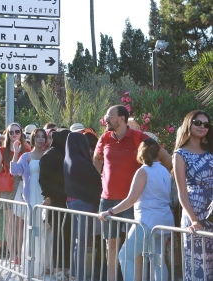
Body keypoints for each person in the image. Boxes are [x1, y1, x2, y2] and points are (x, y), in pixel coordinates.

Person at [93, 105, 172, 281]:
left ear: (122, 118)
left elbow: (166, 158)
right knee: (111, 245)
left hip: (132, 202)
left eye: (109, 116)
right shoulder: (105, 138)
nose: (106, 119)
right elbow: (97, 159)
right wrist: (103, 177)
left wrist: (155, 180)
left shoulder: (139, 137)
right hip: (107, 199)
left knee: (134, 250)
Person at [173, 110, 213, 281]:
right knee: (199, 269)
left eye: (206, 124)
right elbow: (182, 192)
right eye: (198, 123)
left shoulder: (210, 151)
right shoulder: (180, 154)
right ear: (189, 124)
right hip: (195, 215)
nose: (202, 127)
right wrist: (195, 220)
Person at [0, 122, 29, 264]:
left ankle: (20, 254)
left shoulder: (27, 149)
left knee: (20, 223)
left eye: (17, 131)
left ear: (21, 133)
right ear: (7, 134)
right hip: (8, 187)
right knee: (10, 221)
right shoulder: (2, 151)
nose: (14, 134)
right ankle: (12, 254)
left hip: (22, 186)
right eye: (11, 132)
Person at [10, 128, 50, 278]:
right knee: (32, 231)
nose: (40, 139)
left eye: (42, 137)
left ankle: (45, 265)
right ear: (33, 139)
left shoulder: (48, 155)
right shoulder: (26, 156)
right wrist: (15, 152)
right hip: (32, 196)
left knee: (45, 231)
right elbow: (14, 171)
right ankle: (30, 268)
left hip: (45, 196)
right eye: (37, 137)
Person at [64, 132, 102, 281]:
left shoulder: (69, 159)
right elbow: (96, 181)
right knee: (81, 243)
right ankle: (79, 276)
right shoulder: (81, 162)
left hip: (72, 203)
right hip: (84, 204)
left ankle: (74, 274)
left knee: (77, 242)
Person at [39, 129, 71, 279]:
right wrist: (49, 195)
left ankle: (65, 268)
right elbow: (44, 180)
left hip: (66, 199)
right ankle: (58, 269)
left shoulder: (66, 154)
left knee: (66, 234)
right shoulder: (50, 155)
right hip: (57, 200)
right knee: (59, 235)